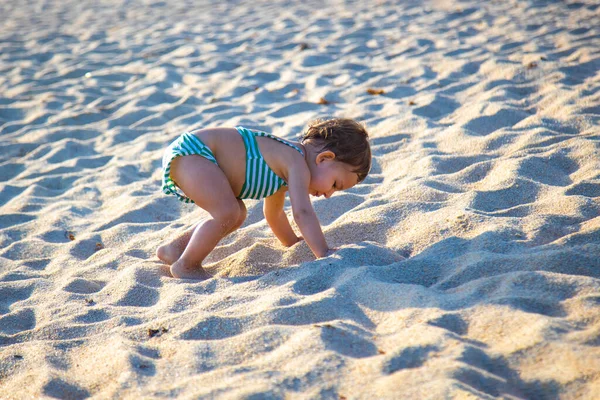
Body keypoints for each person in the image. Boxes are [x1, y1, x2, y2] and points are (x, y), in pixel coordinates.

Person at [156, 118, 371, 279]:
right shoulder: (294, 162)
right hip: (195, 153)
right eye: (334, 184)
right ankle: (186, 265)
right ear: (324, 158)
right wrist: (323, 252)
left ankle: (174, 250)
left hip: (194, 153)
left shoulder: (284, 170)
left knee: (237, 214)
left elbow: (274, 214)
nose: (328, 194)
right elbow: (302, 212)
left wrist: (291, 242)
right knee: (227, 213)